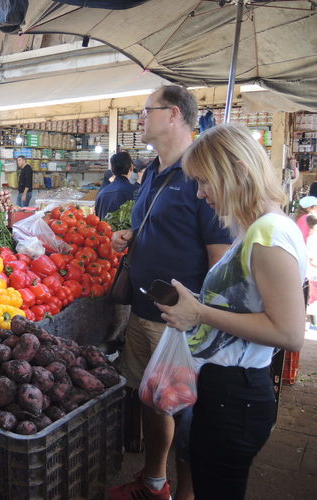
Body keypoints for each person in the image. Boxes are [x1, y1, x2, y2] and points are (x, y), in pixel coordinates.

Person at [157, 123, 306, 499]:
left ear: (237, 169)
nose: (200, 194)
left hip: (235, 398)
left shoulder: (268, 235)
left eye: (205, 182)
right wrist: (197, 304)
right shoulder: (257, 230)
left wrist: (200, 315)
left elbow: (288, 332)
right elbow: (249, 302)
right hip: (227, 391)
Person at [108, 85, 231, 500]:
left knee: (186, 411)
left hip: (181, 322)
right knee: (151, 399)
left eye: (147, 110)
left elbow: (221, 261)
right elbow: (159, 229)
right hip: (144, 311)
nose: (140, 118)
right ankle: (154, 480)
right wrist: (130, 235)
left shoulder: (204, 176)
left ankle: (187, 493)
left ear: (174, 114)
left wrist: (202, 318)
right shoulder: (150, 174)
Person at [95, 152, 137, 219]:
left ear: (112, 169)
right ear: (131, 168)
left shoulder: (102, 193)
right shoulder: (135, 192)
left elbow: (97, 219)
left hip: (105, 229)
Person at [306, 214, 317, 326]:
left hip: (311, 273)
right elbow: (312, 259)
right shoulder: (313, 239)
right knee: (313, 299)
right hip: (313, 273)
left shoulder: (311, 237)